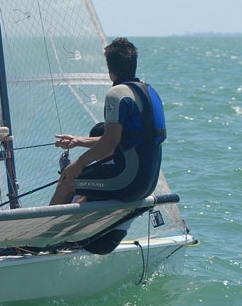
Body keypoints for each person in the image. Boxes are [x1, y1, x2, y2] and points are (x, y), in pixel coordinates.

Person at [50, 38, 166, 205]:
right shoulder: (149, 91)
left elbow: (111, 141)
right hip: (148, 183)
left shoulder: (116, 94)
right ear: (134, 64)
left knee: (67, 181)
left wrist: (77, 165)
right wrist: (78, 141)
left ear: (109, 68)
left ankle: (46, 231)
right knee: (85, 184)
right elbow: (124, 138)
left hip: (127, 180)